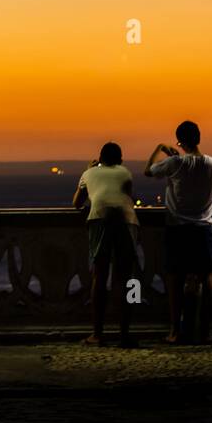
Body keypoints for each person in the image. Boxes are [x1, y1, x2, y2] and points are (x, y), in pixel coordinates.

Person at [145, 120, 212, 344]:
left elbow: (148, 171)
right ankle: (206, 331)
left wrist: (160, 149)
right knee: (206, 280)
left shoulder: (174, 163)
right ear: (198, 138)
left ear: (180, 142)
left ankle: (175, 331)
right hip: (204, 227)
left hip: (177, 228)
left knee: (175, 280)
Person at [73, 142, 138, 347]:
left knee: (100, 276)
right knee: (126, 278)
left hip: (99, 217)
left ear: (100, 158)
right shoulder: (126, 172)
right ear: (120, 160)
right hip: (127, 220)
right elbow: (126, 196)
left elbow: (77, 202)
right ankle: (125, 334)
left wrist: (88, 172)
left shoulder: (89, 173)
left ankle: (97, 334)